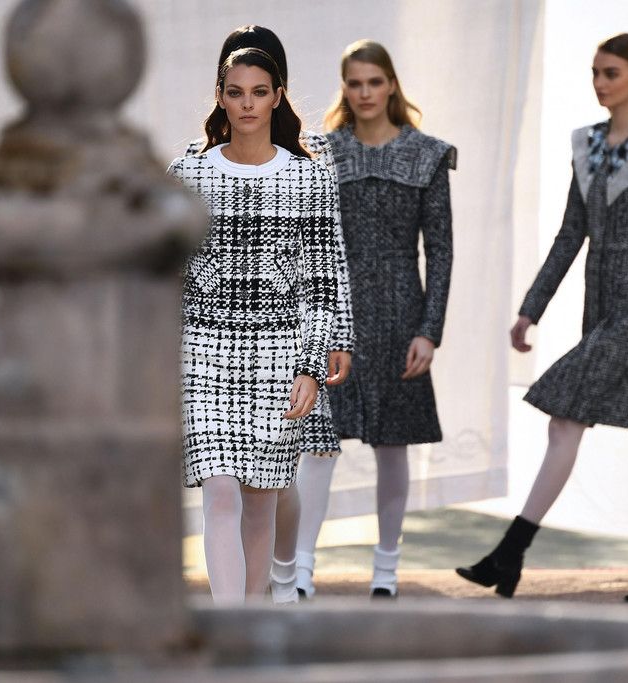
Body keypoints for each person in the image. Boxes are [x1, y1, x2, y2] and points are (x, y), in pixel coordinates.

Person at [456, 33, 628, 602]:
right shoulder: (587, 144)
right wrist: (531, 308)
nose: (600, 83)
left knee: (564, 419)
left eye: (611, 72)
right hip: (601, 310)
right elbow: (571, 234)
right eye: (595, 72)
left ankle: (509, 553)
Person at [182, 25, 355, 604]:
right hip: (202, 350)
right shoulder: (188, 174)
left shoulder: (308, 176)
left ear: (278, 96)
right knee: (219, 493)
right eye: (235, 92)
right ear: (220, 96)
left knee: (260, 501)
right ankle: (231, 627)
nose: (248, 104)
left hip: (279, 352)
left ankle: (252, 622)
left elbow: (323, 281)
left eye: (259, 92)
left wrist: (310, 365)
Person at [294, 39, 455, 599]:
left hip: (400, 313)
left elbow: (441, 250)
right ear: (344, 87)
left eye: (374, 82)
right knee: (318, 443)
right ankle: (300, 570)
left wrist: (429, 331)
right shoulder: (319, 153)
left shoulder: (427, 155)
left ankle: (386, 568)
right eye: (354, 83)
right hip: (334, 314)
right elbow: (305, 241)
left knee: (393, 445)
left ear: (391, 85)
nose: (364, 93)